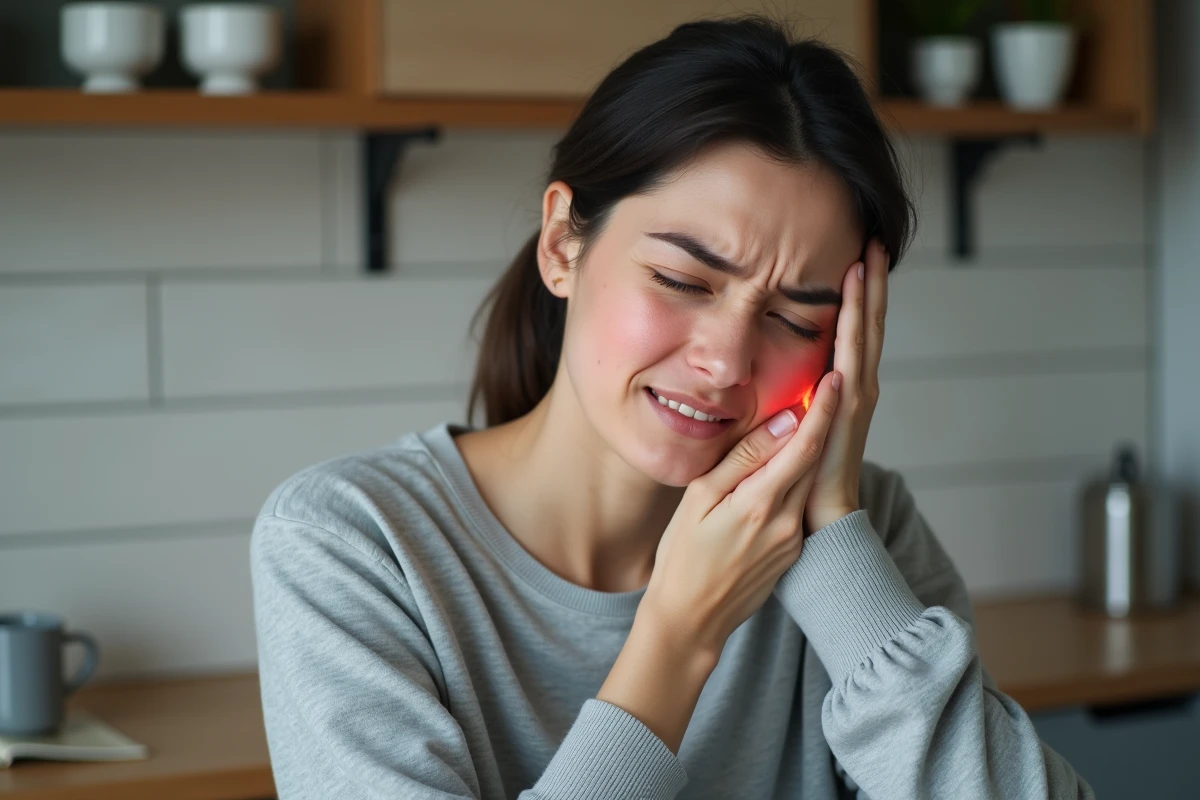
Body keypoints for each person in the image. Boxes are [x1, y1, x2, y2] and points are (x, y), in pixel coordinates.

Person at [249, 14, 1094, 799]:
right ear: (562, 245)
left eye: (796, 320)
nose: (725, 362)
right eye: (683, 280)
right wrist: (680, 637)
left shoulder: (861, 536)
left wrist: (833, 543)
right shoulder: (349, 545)